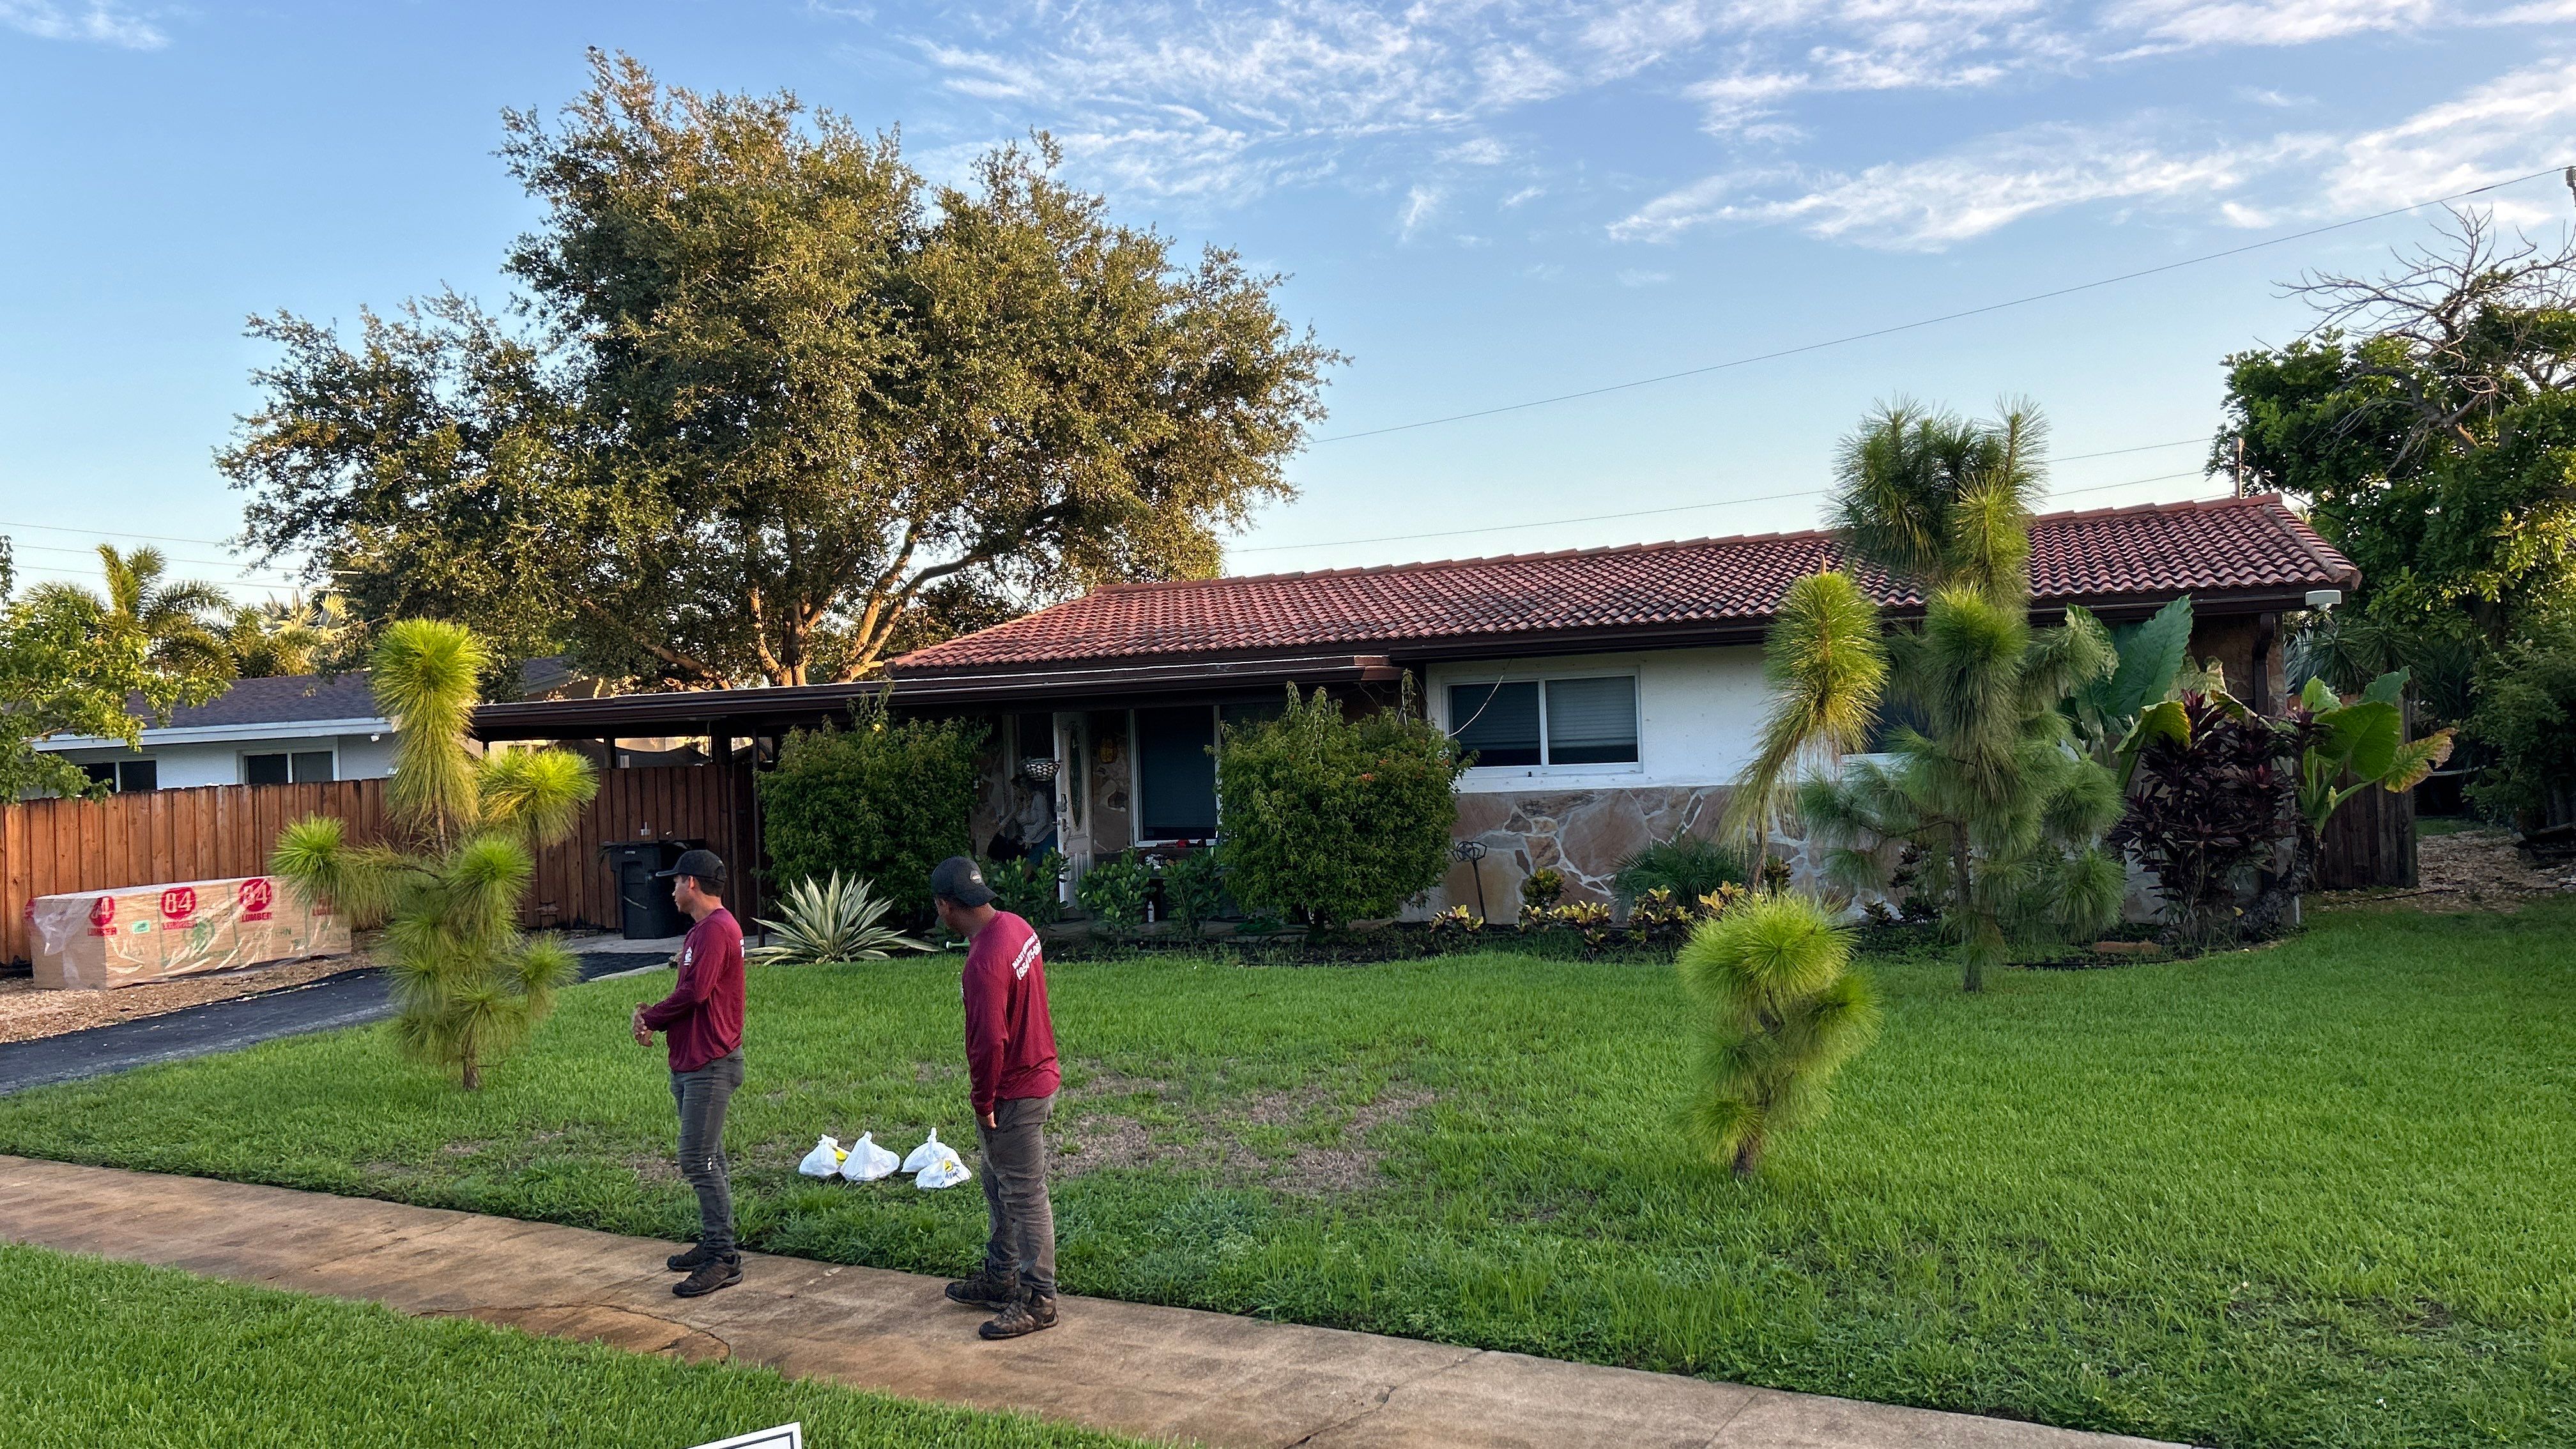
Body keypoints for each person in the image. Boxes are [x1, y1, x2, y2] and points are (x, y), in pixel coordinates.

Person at [930, 855, 1061, 1340]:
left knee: (1024, 1195)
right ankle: (1001, 1276)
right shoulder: (1015, 927)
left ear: (946, 906)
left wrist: (983, 1101)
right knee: (996, 1182)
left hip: (1014, 1091)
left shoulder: (983, 962)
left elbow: (990, 1042)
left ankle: (1038, 1299)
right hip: (1036, 1072)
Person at [631, 848, 746, 1300]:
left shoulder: (716, 930)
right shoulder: (707, 930)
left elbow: (696, 993)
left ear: (692, 884)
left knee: (699, 1159)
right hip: (694, 1060)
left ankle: (723, 1257)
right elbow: (692, 992)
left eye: (676, 881)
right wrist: (655, 1017)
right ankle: (716, 1244)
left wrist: (651, 1018)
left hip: (709, 1064)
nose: (672, 889)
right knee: (708, 1155)